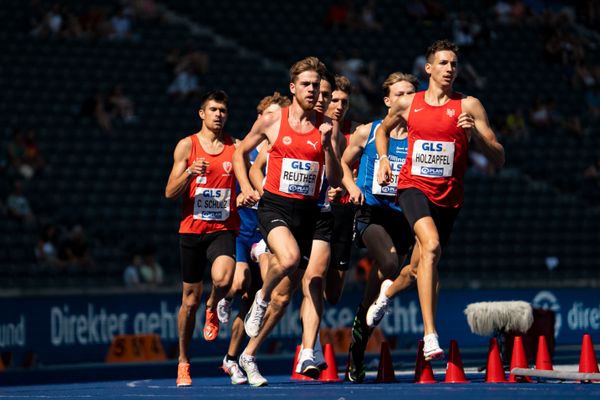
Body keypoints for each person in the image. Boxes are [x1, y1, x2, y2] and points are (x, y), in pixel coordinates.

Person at [375, 40, 505, 361]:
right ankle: (431, 335)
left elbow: (499, 156)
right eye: (443, 63)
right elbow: (383, 130)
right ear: (429, 68)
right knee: (431, 246)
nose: (450, 69)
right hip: (412, 188)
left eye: (454, 65)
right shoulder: (409, 103)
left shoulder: (468, 106)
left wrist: (475, 134)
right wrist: (385, 158)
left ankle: (387, 292)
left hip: (449, 198)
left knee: (418, 269)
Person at [232, 57, 342, 386]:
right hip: (275, 206)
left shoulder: (326, 125)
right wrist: (250, 188)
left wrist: (326, 147)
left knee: (292, 292)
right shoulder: (272, 119)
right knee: (290, 259)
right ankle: (260, 299)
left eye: (316, 86)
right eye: (306, 85)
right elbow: (240, 153)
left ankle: (250, 353)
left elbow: (334, 177)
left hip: (308, 212)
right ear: (293, 88)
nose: (312, 90)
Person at [340, 72, 421, 383]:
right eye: (400, 94)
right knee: (388, 263)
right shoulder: (368, 132)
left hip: (402, 218)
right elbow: (343, 164)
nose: (406, 99)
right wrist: (350, 187)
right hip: (370, 213)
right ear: (388, 100)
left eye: (411, 94)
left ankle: (356, 351)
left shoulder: (418, 137)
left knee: (375, 296)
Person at [164, 90, 240, 387]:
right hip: (191, 231)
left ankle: (214, 306)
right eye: (213, 109)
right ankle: (183, 361)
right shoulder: (187, 146)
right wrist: (190, 174)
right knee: (188, 300)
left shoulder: (236, 147)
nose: (219, 114)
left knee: (223, 279)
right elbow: (170, 192)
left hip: (222, 229)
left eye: (223, 110)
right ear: (202, 113)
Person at [218, 92, 291, 385]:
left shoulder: (285, 149)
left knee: (263, 298)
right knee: (238, 283)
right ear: (261, 118)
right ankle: (219, 299)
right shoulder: (241, 148)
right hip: (240, 231)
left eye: (279, 113)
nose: (275, 119)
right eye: (270, 113)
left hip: (266, 233)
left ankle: (236, 359)